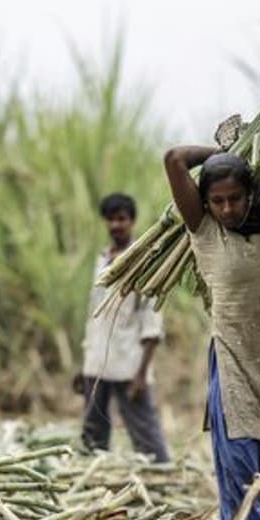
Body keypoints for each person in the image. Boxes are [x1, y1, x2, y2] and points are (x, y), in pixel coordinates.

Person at [162, 145, 260, 520]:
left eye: (235, 198)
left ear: (251, 196)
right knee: (241, 476)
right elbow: (174, 159)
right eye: (218, 201)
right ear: (205, 203)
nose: (227, 208)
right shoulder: (204, 230)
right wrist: (227, 151)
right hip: (235, 365)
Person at [74, 192, 170, 463]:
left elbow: (151, 320)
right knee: (93, 434)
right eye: (110, 219)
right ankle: (92, 475)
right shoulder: (102, 259)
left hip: (129, 363)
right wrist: (85, 364)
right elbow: (94, 315)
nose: (116, 225)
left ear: (132, 221)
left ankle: (161, 475)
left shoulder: (144, 260)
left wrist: (142, 374)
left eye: (121, 219)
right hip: (97, 363)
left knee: (146, 434)